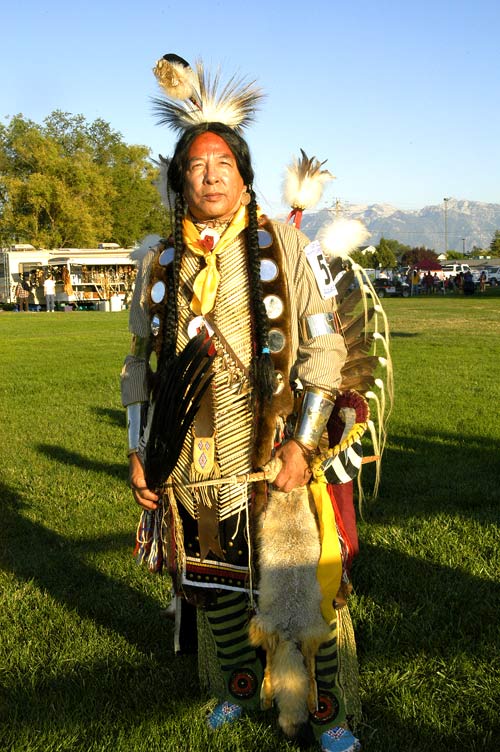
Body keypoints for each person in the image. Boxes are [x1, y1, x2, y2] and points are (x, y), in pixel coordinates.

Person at [120, 53, 389, 752]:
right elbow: (139, 367)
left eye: (222, 166)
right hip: (188, 460)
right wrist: (139, 451)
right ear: (180, 179)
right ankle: (238, 691)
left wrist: (301, 444)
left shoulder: (286, 246)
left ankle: (327, 718)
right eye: (195, 167)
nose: (209, 178)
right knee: (210, 587)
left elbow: (323, 347)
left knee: (303, 591)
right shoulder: (159, 264)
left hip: (272, 454)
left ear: (243, 177)